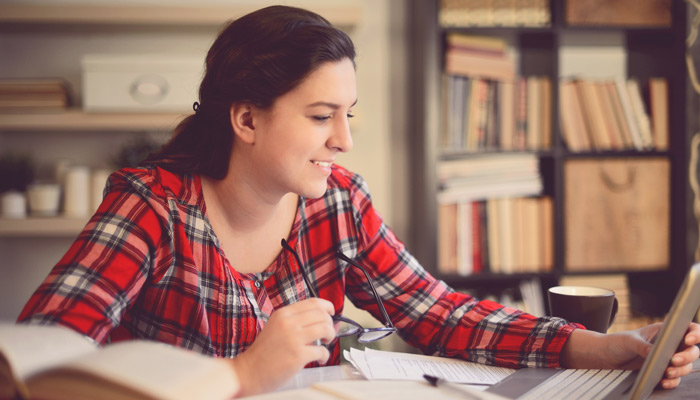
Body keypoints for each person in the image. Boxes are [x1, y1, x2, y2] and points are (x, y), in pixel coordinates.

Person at [17, 5, 700, 397]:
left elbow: (439, 314)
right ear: (246, 119)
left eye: (349, 113)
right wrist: (242, 372)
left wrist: (611, 349)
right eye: (321, 116)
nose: (345, 139)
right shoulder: (152, 207)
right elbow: (38, 366)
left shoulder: (336, 202)